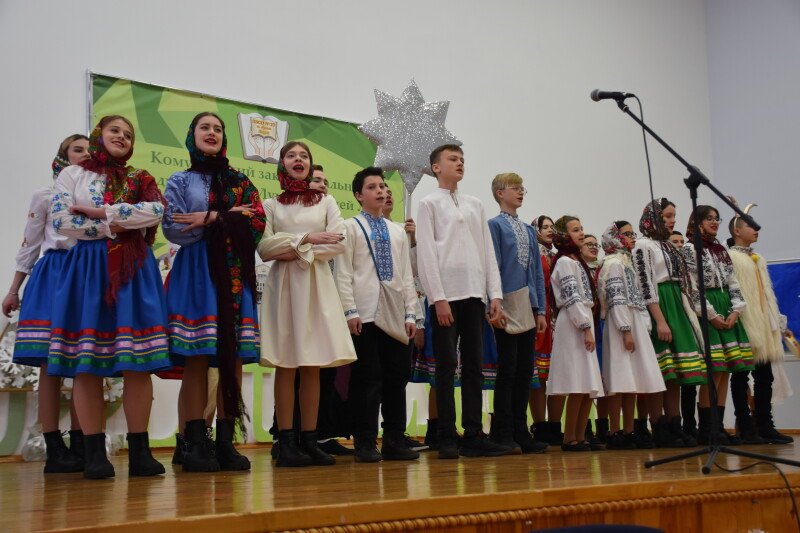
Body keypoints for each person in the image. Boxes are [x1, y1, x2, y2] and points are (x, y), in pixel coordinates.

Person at [48, 115, 171, 479]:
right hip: (88, 270)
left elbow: (156, 211)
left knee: (138, 362)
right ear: (98, 135)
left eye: (128, 134)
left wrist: (101, 212)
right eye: (114, 130)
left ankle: (140, 453)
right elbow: (61, 221)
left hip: (134, 271)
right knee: (87, 362)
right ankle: (94, 453)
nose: (121, 136)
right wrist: (114, 225)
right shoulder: (73, 174)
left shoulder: (141, 177)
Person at [162, 112, 266, 472]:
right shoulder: (180, 180)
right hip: (196, 272)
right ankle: (193, 442)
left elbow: (256, 222)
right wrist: (227, 216)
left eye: (218, 129)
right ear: (192, 135)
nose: (212, 133)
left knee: (232, 359)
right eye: (204, 127)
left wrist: (210, 218)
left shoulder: (240, 181)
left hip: (235, 274)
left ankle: (225, 442)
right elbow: (173, 227)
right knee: (196, 356)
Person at [258, 141, 356, 467]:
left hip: (317, 288)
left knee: (313, 364)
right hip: (284, 289)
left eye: (303, 156)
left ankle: (310, 440)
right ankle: (286, 442)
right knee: (286, 364)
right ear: (282, 164)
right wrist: (309, 238)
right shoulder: (271, 205)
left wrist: (292, 247)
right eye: (291, 155)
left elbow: (338, 242)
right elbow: (265, 248)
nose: (298, 159)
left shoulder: (327, 201)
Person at [416, 144, 510, 459]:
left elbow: (487, 251)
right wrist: (438, 298)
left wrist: (494, 294)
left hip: (474, 295)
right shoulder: (429, 203)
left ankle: (473, 434)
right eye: (452, 159)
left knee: (474, 366)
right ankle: (446, 435)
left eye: (462, 160)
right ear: (436, 167)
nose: (459, 163)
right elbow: (427, 253)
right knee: (445, 367)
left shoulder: (474, 204)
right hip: (446, 296)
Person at [4, 134, 89, 473]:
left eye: (90, 150)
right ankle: (54, 446)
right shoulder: (46, 195)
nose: (85, 155)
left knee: (86, 364)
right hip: (54, 274)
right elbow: (30, 242)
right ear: (63, 156)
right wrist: (13, 290)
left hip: (87, 274)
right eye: (78, 150)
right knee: (50, 366)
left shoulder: (102, 195)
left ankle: (83, 443)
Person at [336, 167, 419, 462]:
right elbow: (343, 273)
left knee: (397, 379)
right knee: (367, 380)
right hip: (365, 313)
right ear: (359, 196)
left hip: (395, 313)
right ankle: (365, 442)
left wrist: (411, 314)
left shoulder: (398, 231)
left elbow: (406, 276)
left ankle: (395, 440)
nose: (381, 191)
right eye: (372, 187)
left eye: (382, 186)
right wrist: (350, 311)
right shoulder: (349, 227)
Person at [633, 198, 704, 448]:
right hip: (660, 304)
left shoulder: (667, 245)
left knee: (674, 373)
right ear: (653, 217)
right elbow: (645, 285)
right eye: (667, 216)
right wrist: (660, 321)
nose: (672, 220)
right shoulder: (642, 245)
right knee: (660, 371)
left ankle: (675, 424)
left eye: (674, 215)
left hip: (676, 301)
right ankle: (658, 425)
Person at [487, 173, 548, 454]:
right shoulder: (494, 226)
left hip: (527, 303)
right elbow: (493, 267)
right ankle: (502, 432)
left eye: (522, 188)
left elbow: (536, 272)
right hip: (506, 303)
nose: (521, 192)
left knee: (525, 370)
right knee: (508, 369)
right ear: (500, 193)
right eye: (515, 188)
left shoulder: (528, 230)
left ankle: (522, 431)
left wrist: (540, 309)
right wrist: (494, 303)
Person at [683, 205, 752, 445]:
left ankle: (718, 426)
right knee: (713, 371)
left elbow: (733, 281)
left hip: (726, 306)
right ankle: (707, 429)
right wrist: (710, 315)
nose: (714, 222)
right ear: (697, 222)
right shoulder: (689, 249)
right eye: (709, 218)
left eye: (716, 218)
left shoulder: (721, 249)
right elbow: (692, 287)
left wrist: (736, 310)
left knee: (725, 371)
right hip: (707, 308)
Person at [597, 222, 666, 449]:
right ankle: (614, 431)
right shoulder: (614, 264)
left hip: (633, 321)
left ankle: (629, 430)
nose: (632, 237)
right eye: (626, 234)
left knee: (632, 380)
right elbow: (616, 300)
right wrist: (625, 330)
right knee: (619, 379)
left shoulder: (627, 262)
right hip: (621, 324)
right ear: (615, 238)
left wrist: (641, 326)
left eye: (632, 233)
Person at [727, 209, 793, 444]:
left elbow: (766, 294)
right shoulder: (730, 257)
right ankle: (745, 427)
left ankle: (765, 425)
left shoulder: (759, 259)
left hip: (763, 324)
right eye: (750, 226)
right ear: (737, 231)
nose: (756, 230)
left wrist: (776, 322)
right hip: (745, 323)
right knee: (741, 376)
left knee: (765, 377)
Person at [546, 216, 605, 451]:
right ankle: (569, 437)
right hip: (573, 323)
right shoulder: (564, 262)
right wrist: (585, 327)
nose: (581, 233)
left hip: (583, 319)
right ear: (564, 234)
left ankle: (580, 435)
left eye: (581, 229)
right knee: (577, 383)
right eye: (575, 230)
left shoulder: (576, 261)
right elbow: (571, 297)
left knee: (586, 384)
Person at [529, 215, 564, 445]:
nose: (550, 230)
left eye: (552, 227)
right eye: (545, 227)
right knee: (540, 376)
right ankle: (540, 426)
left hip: (560, 318)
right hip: (541, 316)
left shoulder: (559, 255)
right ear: (536, 230)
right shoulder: (534, 252)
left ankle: (555, 426)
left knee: (560, 375)